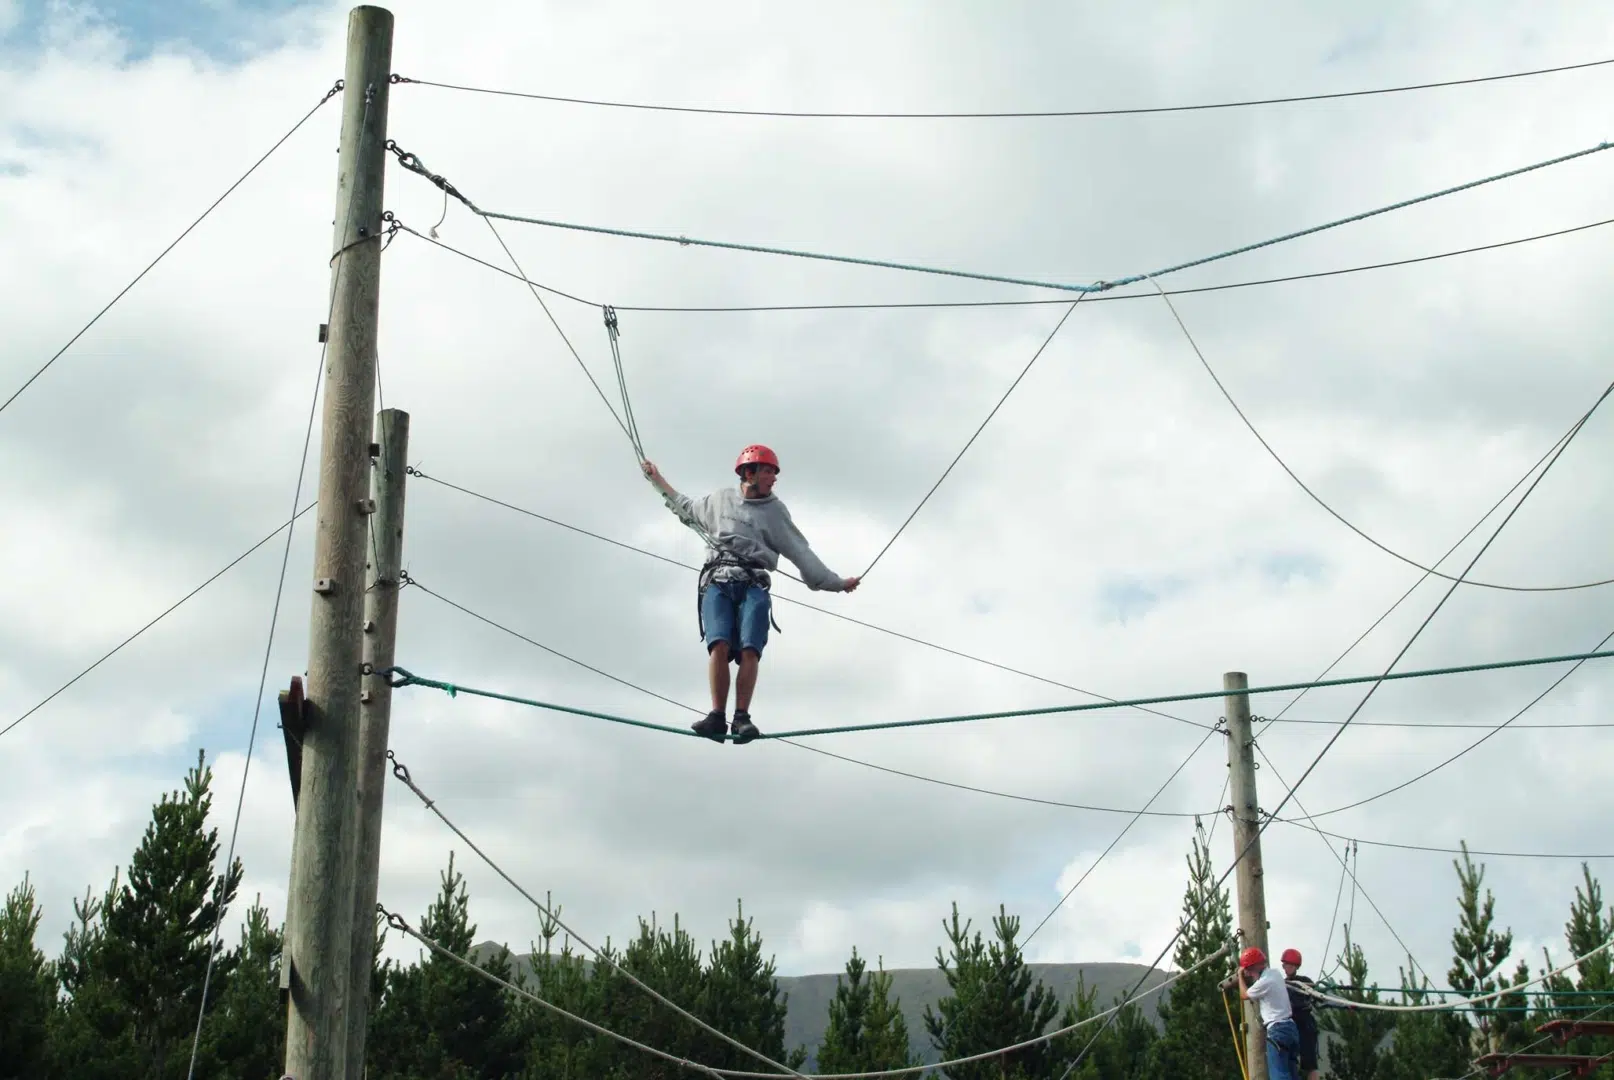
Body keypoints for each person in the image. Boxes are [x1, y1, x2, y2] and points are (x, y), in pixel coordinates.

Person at [642, 445, 859, 744]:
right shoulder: (720, 501)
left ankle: (741, 717)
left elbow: (801, 552)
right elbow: (685, 507)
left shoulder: (775, 512)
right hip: (717, 581)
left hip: (753, 583)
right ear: (749, 473)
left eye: (774, 472)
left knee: (749, 649)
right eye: (768, 471)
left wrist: (836, 582)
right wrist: (657, 479)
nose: (773, 478)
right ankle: (717, 716)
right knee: (718, 644)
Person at [1233, 946, 1301, 1080]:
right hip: (1291, 1028)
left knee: (1279, 1075)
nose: (1248, 973)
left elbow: (1244, 995)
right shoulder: (1275, 973)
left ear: (1253, 967)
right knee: (1292, 1074)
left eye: (1248, 969)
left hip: (1277, 1030)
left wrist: (1240, 976)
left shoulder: (1264, 982)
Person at [1281, 948, 1321, 1080]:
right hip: (1290, 1024)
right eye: (1286, 965)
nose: (1288, 968)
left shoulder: (1303, 981)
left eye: (1291, 965)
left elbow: (1318, 996)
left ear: (1296, 966)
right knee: (1288, 1060)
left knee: (1309, 1063)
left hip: (1305, 1025)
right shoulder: (1282, 984)